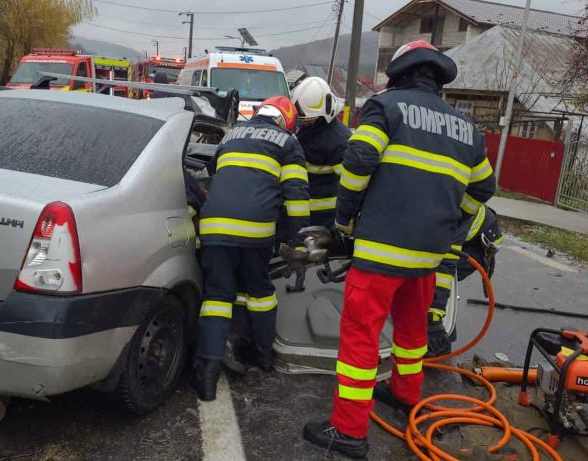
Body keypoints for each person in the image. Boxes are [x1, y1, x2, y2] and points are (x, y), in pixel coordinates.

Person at [302, 40, 496, 459]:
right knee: (411, 331)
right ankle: (407, 395)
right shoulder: (466, 127)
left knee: (361, 336)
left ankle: (349, 430)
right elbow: (484, 187)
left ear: (400, 73)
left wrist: (344, 220)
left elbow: (358, 161)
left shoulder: (385, 107)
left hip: (382, 250)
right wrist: (449, 218)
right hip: (429, 255)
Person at [191, 96, 309, 401]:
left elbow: (215, 174)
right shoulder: (287, 143)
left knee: (217, 296)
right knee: (260, 293)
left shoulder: (231, 134)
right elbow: (295, 197)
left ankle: (207, 374)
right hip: (256, 232)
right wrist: (296, 240)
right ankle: (263, 355)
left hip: (214, 227)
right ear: (285, 122)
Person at [427, 204, 503, 357]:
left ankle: (440, 344)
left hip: (476, 245)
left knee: (435, 283)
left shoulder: (453, 207)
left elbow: (446, 267)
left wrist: (433, 318)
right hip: (455, 232)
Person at [292, 77, 350, 229]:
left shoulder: (338, 141)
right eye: (303, 119)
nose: (305, 122)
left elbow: (350, 183)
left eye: (309, 119)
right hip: (302, 212)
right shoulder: (307, 130)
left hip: (325, 218)